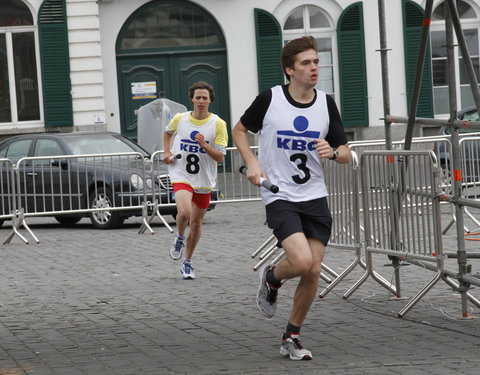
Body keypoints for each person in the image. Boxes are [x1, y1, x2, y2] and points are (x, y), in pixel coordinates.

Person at [232, 36, 351, 360]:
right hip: (279, 193)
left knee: (313, 270)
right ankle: (271, 276)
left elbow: (346, 153)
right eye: (306, 63)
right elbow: (239, 129)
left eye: (316, 61)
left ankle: (291, 337)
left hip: (314, 195)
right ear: (290, 70)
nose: (314, 67)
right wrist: (253, 162)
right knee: (300, 262)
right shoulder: (270, 99)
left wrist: (334, 150)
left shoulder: (326, 103)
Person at [163, 81, 228, 280]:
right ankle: (180, 237)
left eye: (204, 98)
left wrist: (204, 145)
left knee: (197, 223)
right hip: (181, 173)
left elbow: (220, 156)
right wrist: (167, 151)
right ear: (192, 99)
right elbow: (167, 133)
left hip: (204, 178)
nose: (201, 101)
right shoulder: (180, 118)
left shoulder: (218, 123)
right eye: (197, 97)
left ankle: (188, 262)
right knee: (183, 212)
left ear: (210, 100)